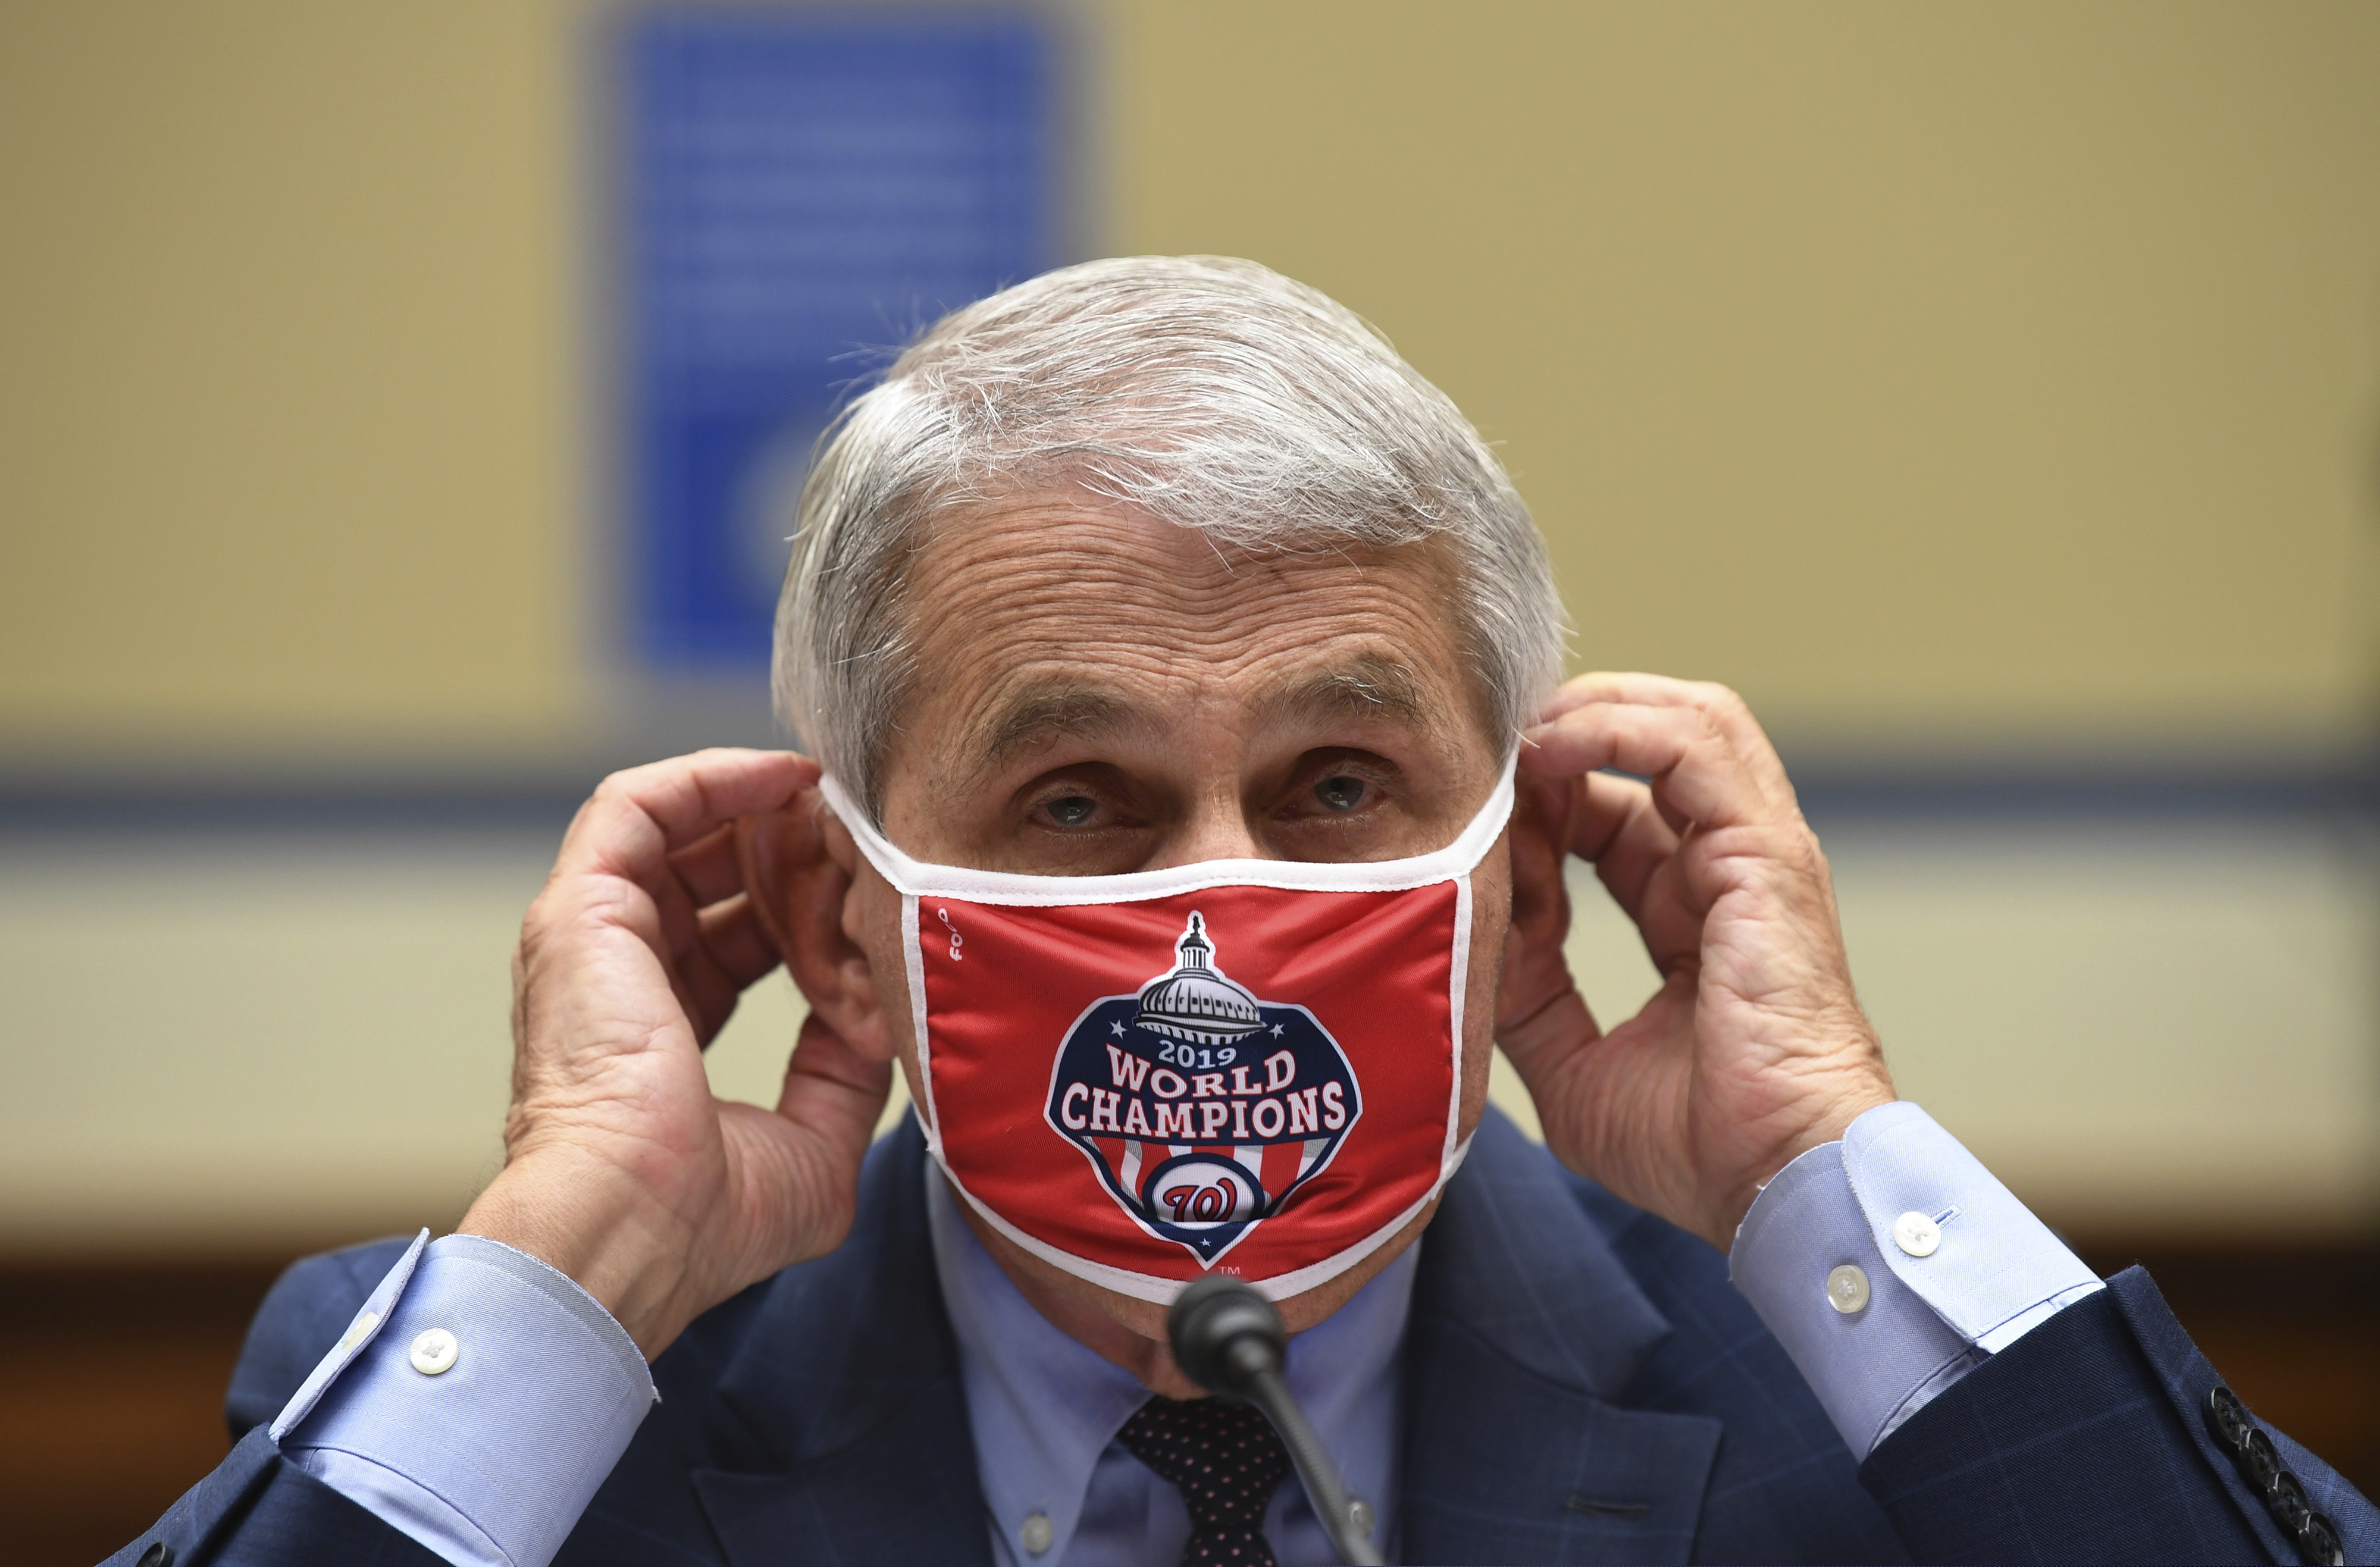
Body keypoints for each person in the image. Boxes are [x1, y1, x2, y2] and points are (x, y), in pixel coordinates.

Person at [113, 257, 2371, 1567]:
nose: (1222, 905)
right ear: (840, 908)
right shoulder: (532, 1440)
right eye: (1079, 799)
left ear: (1519, 875)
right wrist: (588, 1256)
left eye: (1337, 787)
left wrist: (1823, 1165)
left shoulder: (1854, 1413)